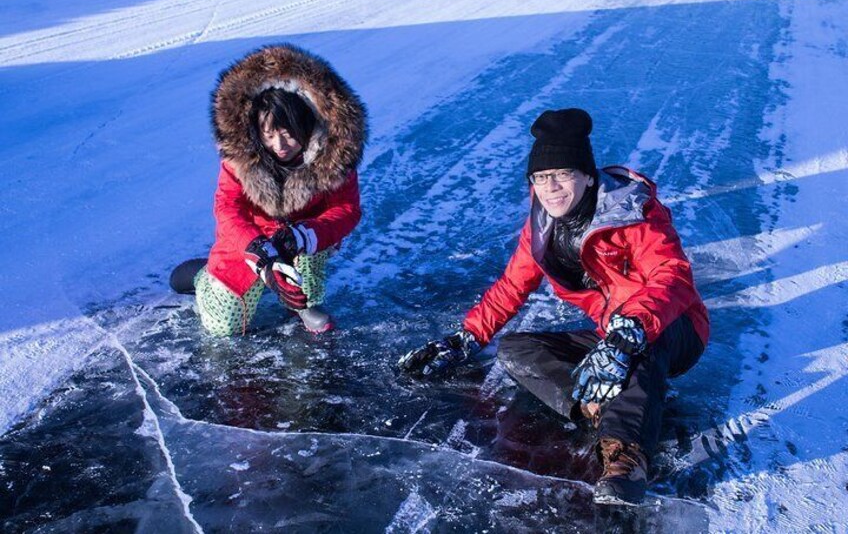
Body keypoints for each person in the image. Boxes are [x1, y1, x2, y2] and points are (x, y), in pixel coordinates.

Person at [397, 108, 709, 506]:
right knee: (516, 350)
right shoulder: (543, 225)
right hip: (610, 332)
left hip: (672, 328)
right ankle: (597, 408)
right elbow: (513, 285)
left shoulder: (634, 213)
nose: (551, 187)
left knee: (640, 348)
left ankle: (627, 458)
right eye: (541, 177)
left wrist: (630, 329)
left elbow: (672, 276)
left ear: (587, 176)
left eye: (563, 174)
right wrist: (466, 338)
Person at [170, 44, 367, 335]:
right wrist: (259, 251)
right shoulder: (241, 157)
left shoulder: (333, 155)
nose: (280, 146)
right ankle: (204, 277)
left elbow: (346, 209)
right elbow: (228, 208)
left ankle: (303, 302)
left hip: (302, 237)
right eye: (270, 134)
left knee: (310, 259)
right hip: (251, 241)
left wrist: (305, 234)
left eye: (289, 134)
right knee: (224, 327)